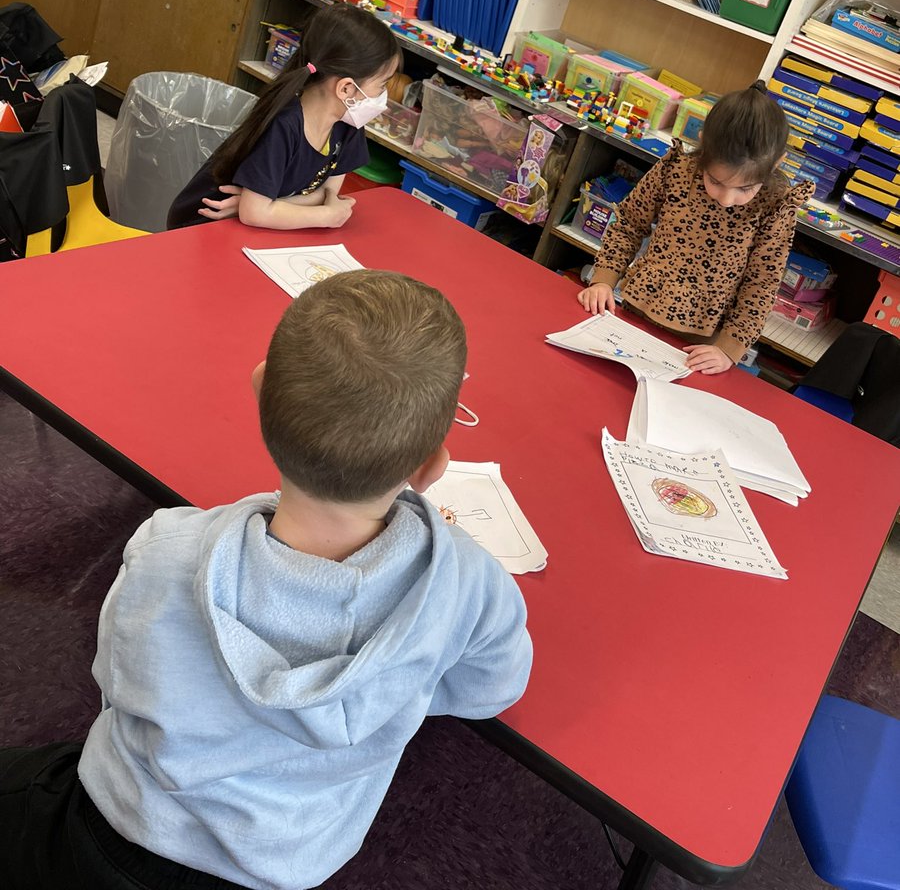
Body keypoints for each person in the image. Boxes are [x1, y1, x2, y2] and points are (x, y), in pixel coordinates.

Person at [0, 270, 532, 890]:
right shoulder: (471, 587)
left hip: (116, 826)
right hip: (280, 864)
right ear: (433, 463)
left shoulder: (169, 548)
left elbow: (115, 678)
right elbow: (487, 692)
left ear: (258, 393)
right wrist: (395, 682)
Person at [578, 83, 812, 375]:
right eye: (715, 181)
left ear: (776, 164)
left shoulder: (775, 206)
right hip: (636, 306)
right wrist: (603, 279)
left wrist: (728, 348)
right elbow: (629, 222)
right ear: (702, 145)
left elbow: (761, 283)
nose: (727, 200)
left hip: (703, 340)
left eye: (745, 189)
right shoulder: (676, 169)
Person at [167, 4, 401, 230]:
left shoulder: (347, 124)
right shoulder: (284, 125)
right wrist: (325, 215)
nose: (383, 96)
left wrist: (268, 207)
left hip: (251, 223)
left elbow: (328, 193)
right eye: (381, 85)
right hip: (203, 224)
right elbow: (260, 213)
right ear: (346, 89)